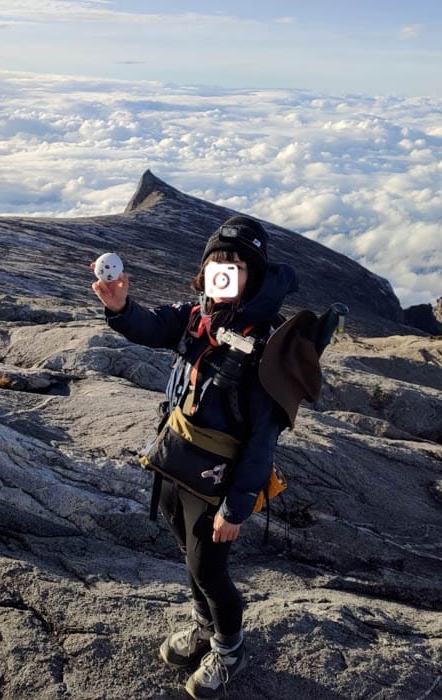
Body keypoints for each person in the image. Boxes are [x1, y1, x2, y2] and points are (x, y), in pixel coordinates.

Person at [91, 216, 297, 700]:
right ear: (204, 270)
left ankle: (229, 648)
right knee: (189, 552)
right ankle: (204, 627)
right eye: (216, 264)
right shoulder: (196, 316)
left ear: (256, 277)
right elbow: (151, 325)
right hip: (176, 457)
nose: (223, 273)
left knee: (208, 568)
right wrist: (120, 308)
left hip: (218, 478)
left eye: (237, 267)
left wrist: (238, 505)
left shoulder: (264, 345)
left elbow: (264, 435)